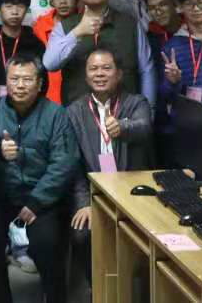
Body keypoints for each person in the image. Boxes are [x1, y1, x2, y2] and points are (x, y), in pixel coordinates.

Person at [0, 54, 78, 303]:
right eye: (14, 79)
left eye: (27, 79)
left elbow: (64, 163)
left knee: (47, 244)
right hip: (0, 194)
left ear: (40, 84)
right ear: (6, 82)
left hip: (41, 197)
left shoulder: (56, 114)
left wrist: (36, 202)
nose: (20, 85)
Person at [66, 46, 153, 299]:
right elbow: (74, 165)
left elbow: (144, 127)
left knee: (143, 237)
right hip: (94, 193)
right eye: (93, 69)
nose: (100, 74)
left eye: (106, 68)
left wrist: (123, 127)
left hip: (132, 193)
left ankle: (139, 291)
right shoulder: (74, 112)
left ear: (119, 74)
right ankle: (97, 286)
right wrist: (84, 203)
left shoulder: (136, 103)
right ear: (86, 76)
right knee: (81, 234)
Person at [43, 0, 156, 109]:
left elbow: (146, 70)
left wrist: (148, 109)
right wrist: (78, 32)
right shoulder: (65, 27)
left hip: (125, 115)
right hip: (77, 116)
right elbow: (49, 64)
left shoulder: (130, 24)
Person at [0, 0, 46, 110]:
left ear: (26, 10)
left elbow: (43, 82)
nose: (15, 12)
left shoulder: (36, 45)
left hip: (29, 111)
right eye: (9, 6)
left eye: (20, 6)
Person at [34, 0, 78, 105]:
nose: (63, 2)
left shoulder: (86, 24)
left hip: (78, 97)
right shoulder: (39, 26)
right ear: (51, 0)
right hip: (47, 99)